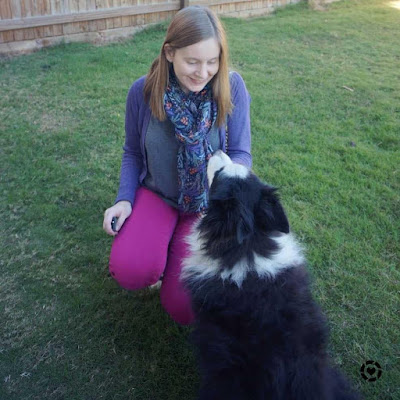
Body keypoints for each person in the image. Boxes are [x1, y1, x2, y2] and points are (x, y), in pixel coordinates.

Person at [103, 5, 252, 325]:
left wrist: (230, 182)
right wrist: (124, 200)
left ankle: (174, 251)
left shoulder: (231, 86)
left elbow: (242, 153)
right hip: (157, 195)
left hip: (204, 206)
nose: (203, 72)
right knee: (131, 270)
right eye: (192, 61)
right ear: (170, 52)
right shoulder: (143, 92)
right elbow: (131, 152)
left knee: (186, 307)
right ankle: (159, 243)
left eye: (212, 61)